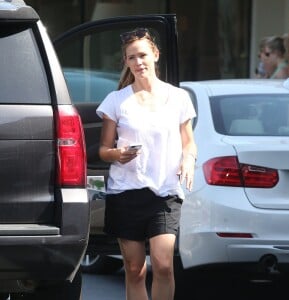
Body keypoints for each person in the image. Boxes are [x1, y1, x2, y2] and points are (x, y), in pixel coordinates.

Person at [96, 28, 197, 300]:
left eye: (142, 55)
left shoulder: (178, 98)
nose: (138, 62)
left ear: (155, 54)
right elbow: (103, 150)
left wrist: (188, 160)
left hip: (165, 192)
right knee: (134, 269)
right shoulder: (116, 101)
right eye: (131, 58)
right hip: (126, 192)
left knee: (163, 265)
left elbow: (189, 142)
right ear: (126, 62)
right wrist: (117, 154)